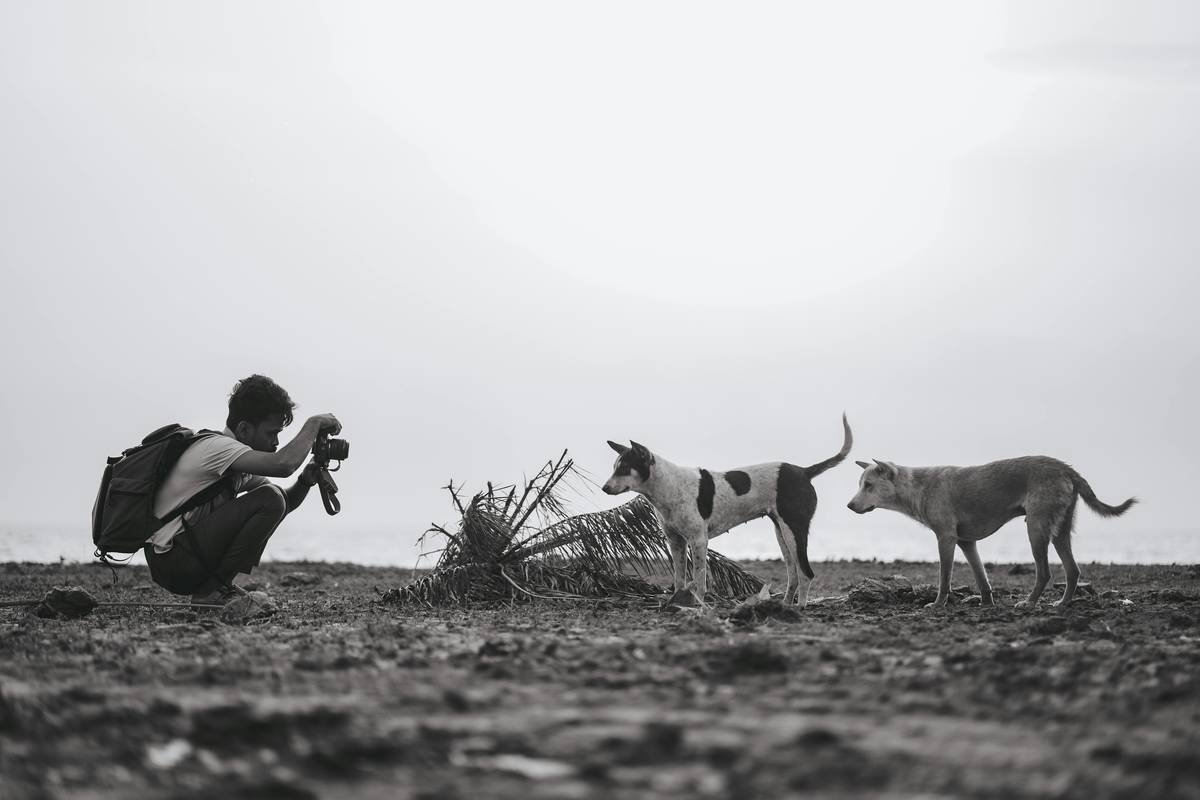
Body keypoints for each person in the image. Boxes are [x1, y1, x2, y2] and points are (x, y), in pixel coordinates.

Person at [144, 374, 341, 605]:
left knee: (272, 497)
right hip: (171, 560)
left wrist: (305, 481)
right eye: (272, 433)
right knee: (270, 497)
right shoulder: (217, 449)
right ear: (245, 429)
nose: (276, 442)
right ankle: (211, 593)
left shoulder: (238, 462)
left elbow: (281, 504)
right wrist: (313, 424)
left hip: (183, 559)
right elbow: (283, 466)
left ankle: (214, 589)